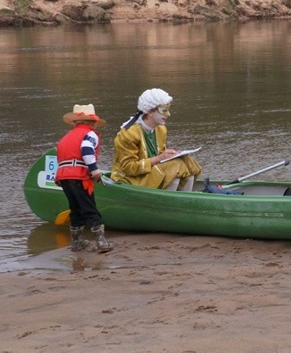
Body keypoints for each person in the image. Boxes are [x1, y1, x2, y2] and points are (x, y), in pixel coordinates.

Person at [111, 88, 202, 190]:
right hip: (130, 179)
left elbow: (159, 153)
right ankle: (169, 203)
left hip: (152, 171)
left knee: (185, 162)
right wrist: (159, 158)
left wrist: (168, 155)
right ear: (150, 112)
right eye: (164, 110)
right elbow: (128, 168)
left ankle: (186, 200)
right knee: (174, 171)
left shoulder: (161, 129)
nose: (168, 114)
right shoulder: (128, 134)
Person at [55, 104, 112, 253]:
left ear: (75, 122)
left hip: (64, 176)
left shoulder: (66, 137)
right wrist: (95, 171)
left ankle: (77, 242)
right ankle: (101, 242)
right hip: (79, 176)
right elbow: (86, 150)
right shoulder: (90, 134)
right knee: (89, 208)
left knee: (75, 209)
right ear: (92, 122)